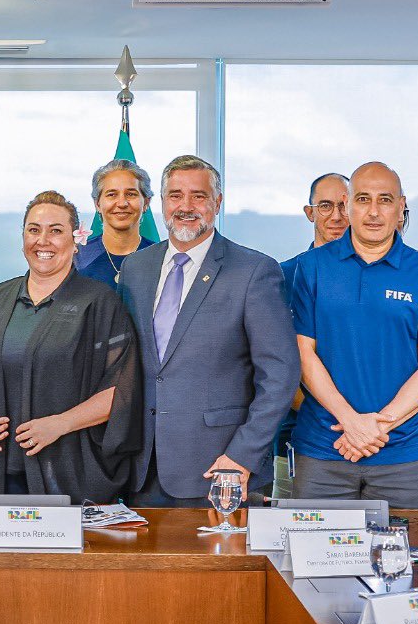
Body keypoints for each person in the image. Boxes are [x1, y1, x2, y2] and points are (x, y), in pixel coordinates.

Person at [118, 156, 298, 505]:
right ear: (161, 202)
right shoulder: (136, 268)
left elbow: (280, 373)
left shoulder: (254, 271)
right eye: (176, 195)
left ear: (217, 202)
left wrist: (242, 455)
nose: (186, 206)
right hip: (141, 469)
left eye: (198, 196)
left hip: (222, 468)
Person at [290, 162, 418, 509]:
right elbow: (303, 354)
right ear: (347, 204)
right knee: (312, 545)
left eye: (385, 200)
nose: (374, 212)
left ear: (401, 206)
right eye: (363, 199)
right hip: (324, 450)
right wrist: (350, 421)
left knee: (403, 546)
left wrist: (376, 428)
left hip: (403, 454)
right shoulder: (312, 267)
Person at [0, 191, 141, 502]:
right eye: (34, 230)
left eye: (56, 231)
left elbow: (122, 388)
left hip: (66, 472)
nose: (43, 241)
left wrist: (61, 424)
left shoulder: (100, 302)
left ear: (76, 241)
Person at [273, 172, 350, 498]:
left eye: (345, 206)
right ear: (310, 212)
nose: (337, 216)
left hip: (368, 438)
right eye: (326, 206)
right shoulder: (281, 276)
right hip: (298, 432)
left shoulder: (376, 279)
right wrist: (329, 416)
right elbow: (274, 361)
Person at [74, 159, 155, 287]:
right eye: (112, 195)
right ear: (97, 204)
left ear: (146, 203)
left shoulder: (161, 258)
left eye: (131, 194)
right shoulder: (77, 257)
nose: (122, 203)